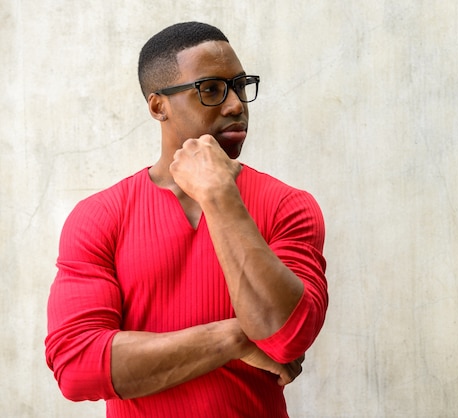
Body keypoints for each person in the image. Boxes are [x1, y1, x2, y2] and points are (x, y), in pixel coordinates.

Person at [45, 21, 328, 418]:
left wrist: (219, 195)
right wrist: (234, 337)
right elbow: (77, 368)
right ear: (158, 106)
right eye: (210, 90)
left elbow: (287, 339)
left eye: (240, 86)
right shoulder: (100, 217)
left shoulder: (288, 206)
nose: (235, 105)